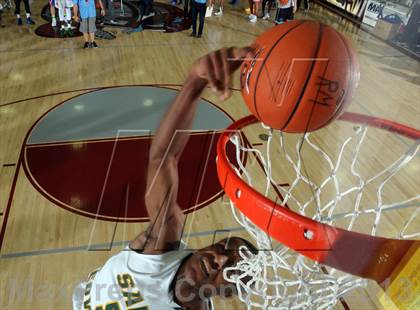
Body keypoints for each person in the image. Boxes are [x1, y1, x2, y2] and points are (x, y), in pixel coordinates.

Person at [72, 46, 258, 310]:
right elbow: (163, 158)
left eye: (230, 269)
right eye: (224, 248)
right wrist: (195, 82)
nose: (218, 258)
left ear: (228, 292)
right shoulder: (160, 243)